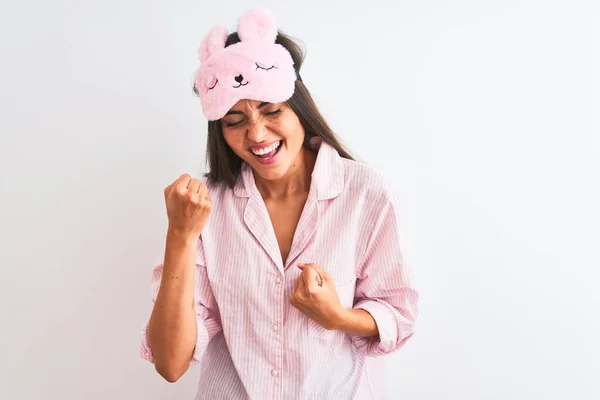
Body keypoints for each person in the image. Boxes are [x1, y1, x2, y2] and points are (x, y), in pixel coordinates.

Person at [140, 7, 418, 399]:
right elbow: (170, 363)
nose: (256, 134)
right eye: (234, 121)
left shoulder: (365, 193)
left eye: (271, 112)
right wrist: (181, 236)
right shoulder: (204, 208)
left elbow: (399, 314)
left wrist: (337, 317)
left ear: (298, 107)